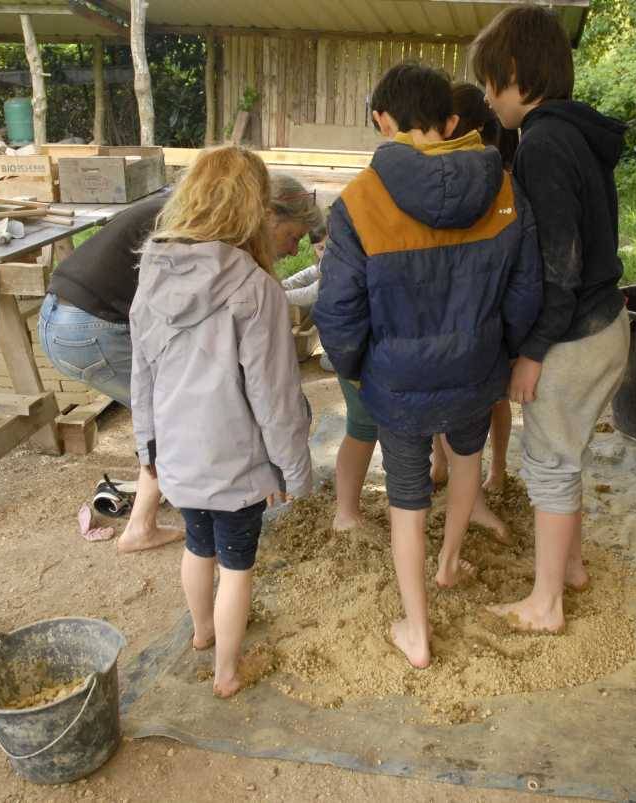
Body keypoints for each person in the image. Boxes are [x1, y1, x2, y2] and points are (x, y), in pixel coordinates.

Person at [314, 63, 542, 668]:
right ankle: (449, 563)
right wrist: (503, 352)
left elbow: (337, 311)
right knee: (467, 462)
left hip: (396, 383)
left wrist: (358, 369)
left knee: (408, 497)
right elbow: (525, 292)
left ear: (381, 120)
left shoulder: (359, 202)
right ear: (451, 120)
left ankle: (416, 631)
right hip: (476, 371)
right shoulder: (504, 189)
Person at [38, 173, 322, 554]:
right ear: (268, 215)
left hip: (65, 316)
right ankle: (170, 525)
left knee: (172, 418)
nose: (292, 249)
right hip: (87, 326)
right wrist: (273, 467)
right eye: (292, 236)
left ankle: (156, 522)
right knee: (178, 418)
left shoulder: (203, 217)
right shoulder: (210, 237)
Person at [130, 145, 313, 697]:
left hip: (178, 453)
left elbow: (142, 374)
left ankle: (203, 633)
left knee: (197, 544)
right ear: (254, 207)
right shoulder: (255, 288)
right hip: (236, 461)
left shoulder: (151, 273)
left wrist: (147, 447)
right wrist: (295, 471)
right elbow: (275, 397)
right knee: (237, 565)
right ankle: (228, 672)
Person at [471, 6, 631, 633]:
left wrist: (533, 350)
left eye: (491, 81)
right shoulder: (575, 132)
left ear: (516, 72)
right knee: (565, 454)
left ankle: (545, 604)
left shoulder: (543, 144)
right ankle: (571, 568)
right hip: (605, 322)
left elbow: (561, 270)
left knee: (549, 462)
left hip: (575, 334)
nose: (488, 98)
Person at [429, 83, 519, 496]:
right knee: (457, 387)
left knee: (489, 392)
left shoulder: (502, 179)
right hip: (466, 294)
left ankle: (493, 469)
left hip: (482, 296)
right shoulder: (443, 173)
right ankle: (448, 463)